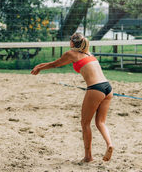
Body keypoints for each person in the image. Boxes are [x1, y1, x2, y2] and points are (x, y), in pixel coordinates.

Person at [31, 33, 114, 162]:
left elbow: (55, 65)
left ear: (72, 43)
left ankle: (88, 157)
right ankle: (109, 144)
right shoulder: (89, 54)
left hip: (95, 88)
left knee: (85, 123)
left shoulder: (71, 54)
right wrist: (40, 65)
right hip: (108, 88)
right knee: (100, 122)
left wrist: (40, 68)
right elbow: (55, 62)